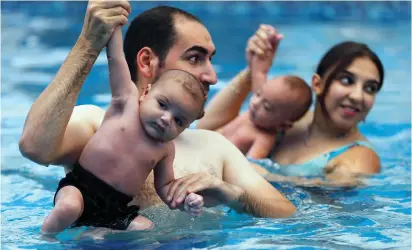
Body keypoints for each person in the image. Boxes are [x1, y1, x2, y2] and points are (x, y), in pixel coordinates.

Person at [19, 1, 296, 231]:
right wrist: (89, 44)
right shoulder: (98, 124)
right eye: (195, 58)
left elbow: (287, 214)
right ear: (147, 62)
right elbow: (33, 147)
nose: (211, 75)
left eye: (210, 60)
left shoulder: (214, 146)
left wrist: (228, 193)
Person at [41, 27, 207, 234]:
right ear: (146, 93)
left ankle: (97, 234)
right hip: (81, 189)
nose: (166, 119)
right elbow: (116, 59)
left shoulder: (165, 149)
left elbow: (165, 187)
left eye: (179, 120)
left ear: (187, 127)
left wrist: (185, 201)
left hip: (116, 208)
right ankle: (45, 240)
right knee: (68, 207)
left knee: (146, 228)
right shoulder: (125, 104)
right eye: (162, 105)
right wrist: (114, 26)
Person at [197, 24, 384, 187]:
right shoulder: (288, 118)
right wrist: (253, 70)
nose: (358, 96)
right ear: (318, 84)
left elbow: (326, 213)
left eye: (370, 88)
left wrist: (263, 176)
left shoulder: (359, 158)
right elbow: (206, 130)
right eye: (346, 80)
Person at [217, 74, 312, 159]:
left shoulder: (263, 140)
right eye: (258, 94)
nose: (255, 103)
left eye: (267, 107)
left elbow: (251, 166)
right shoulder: (250, 115)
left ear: (283, 125)